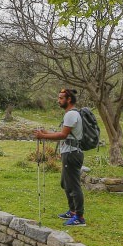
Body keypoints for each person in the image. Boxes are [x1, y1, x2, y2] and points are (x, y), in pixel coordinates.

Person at [32, 88, 86, 227]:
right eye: (59, 97)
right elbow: (65, 133)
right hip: (70, 152)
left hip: (72, 154)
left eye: (61, 98)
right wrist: (47, 133)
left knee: (74, 186)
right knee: (65, 183)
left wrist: (43, 136)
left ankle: (79, 217)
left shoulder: (71, 114)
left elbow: (62, 136)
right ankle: (72, 211)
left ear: (69, 99)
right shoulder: (71, 114)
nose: (58, 100)